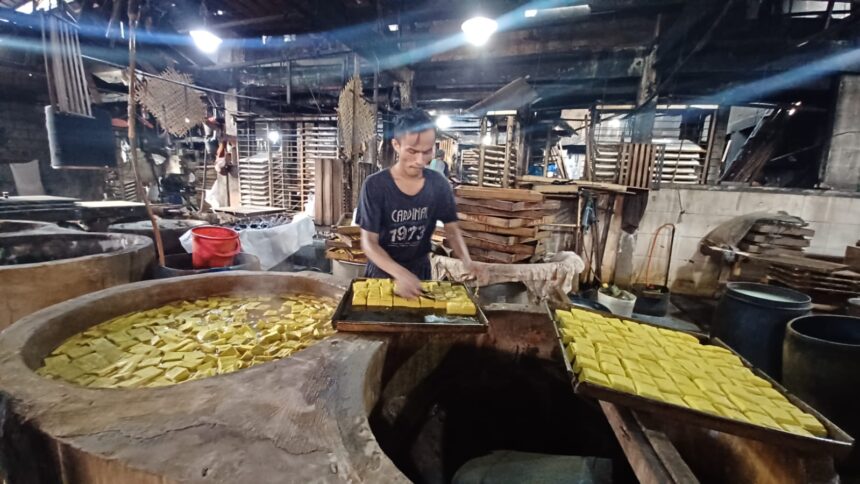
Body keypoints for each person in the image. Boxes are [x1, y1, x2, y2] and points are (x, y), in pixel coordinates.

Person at [356, 108, 478, 299]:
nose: (420, 160)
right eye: (412, 151)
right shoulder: (375, 186)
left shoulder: (438, 184)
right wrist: (400, 274)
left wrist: (467, 261)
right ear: (396, 145)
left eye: (427, 152)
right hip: (382, 274)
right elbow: (369, 243)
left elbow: (452, 230)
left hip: (420, 272)